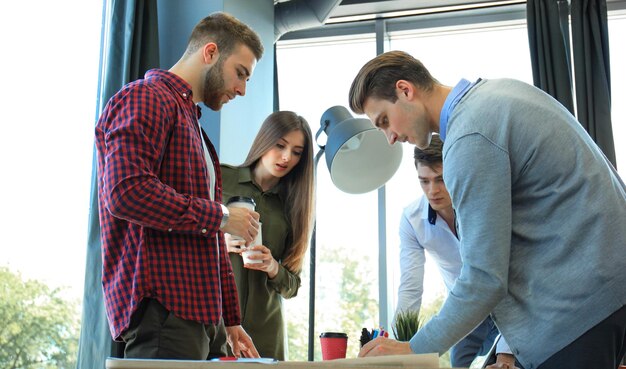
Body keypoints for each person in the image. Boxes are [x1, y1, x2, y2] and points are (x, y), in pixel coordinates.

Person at [349, 50, 626, 369]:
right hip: (603, 294)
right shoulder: (496, 95)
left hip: (577, 312)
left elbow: (484, 279)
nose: (390, 138)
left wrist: (414, 348)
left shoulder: (470, 137)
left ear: (405, 90)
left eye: (384, 121)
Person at [95, 12, 265, 360]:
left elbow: (208, 232)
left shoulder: (194, 126)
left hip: (197, 318)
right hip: (163, 311)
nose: (242, 90)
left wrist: (231, 320)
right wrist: (220, 216)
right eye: (241, 73)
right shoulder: (147, 98)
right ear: (211, 52)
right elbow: (125, 193)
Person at [397, 134, 513, 368]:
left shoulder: (484, 204)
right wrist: (400, 348)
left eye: (440, 179)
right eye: (424, 181)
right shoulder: (412, 220)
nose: (433, 191)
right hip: (467, 310)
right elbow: (410, 288)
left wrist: (506, 354)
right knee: (458, 362)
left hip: (511, 301)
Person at [220, 111, 315, 360]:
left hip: (265, 336)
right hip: (216, 327)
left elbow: (292, 285)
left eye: (296, 152)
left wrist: (273, 266)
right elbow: (187, 237)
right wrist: (221, 242)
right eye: (280, 145)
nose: (286, 157)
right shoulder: (220, 178)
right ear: (264, 140)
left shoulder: (294, 207)